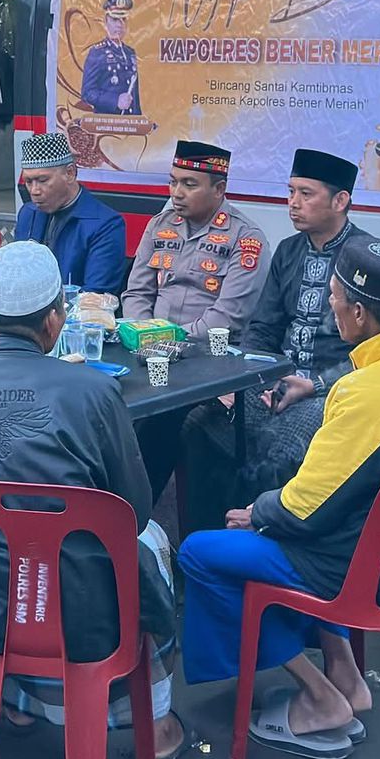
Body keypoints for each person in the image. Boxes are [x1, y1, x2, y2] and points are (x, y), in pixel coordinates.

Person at [178, 237, 380, 759]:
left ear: (360, 312)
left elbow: (305, 508)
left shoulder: (365, 390)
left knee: (201, 551)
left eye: (333, 297)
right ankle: (346, 672)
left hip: (366, 573)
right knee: (321, 518)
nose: (330, 306)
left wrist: (259, 511)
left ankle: (320, 695)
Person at [0, 241, 186, 759]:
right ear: (56, 318)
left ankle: (15, 701)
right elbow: (134, 508)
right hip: (83, 606)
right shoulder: (92, 391)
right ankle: (158, 717)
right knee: (149, 539)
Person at [182, 148, 361, 531]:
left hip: (330, 390)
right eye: (291, 191)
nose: (292, 204)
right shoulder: (288, 250)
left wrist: (314, 384)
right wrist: (243, 380)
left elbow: (372, 353)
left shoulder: (362, 260)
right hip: (274, 380)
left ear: (341, 200)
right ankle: (196, 547)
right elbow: (262, 329)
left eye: (306, 194)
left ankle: (258, 546)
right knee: (199, 423)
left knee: (280, 447)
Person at [123, 140, 269, 499]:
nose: (176, 193)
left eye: (189, 184)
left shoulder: (245, 239)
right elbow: (137, 293)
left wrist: (163, 342)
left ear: (219, 189)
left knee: (159, 420)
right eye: (173, 182)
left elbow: (226, 320)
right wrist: (144, 334)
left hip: (205, 363)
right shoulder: (160, 226)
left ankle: (135, 514)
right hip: (149, 354)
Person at [14, 129, 126, 294]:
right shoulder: (28, 214)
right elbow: (15, 274)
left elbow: (96, 294)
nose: (34, 190)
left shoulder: (106, 225)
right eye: (29, 182)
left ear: (70, 173)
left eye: (43, 180)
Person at [79, 0, 141, 115]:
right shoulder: (97, 52)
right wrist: (115, 100)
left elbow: (134, 97)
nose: (120, 24)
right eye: (115, 19)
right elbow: (87, 93)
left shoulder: (130, 53)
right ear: (106, 22)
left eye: (123, 19)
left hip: (128, 126)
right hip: (106, 125)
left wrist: (138, 121)